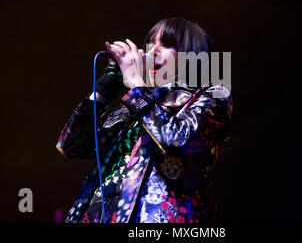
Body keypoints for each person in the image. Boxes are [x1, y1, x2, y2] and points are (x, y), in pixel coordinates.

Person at [56, 18, 232, 223]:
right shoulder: (130, 109)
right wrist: (109, 81)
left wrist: (137, 88)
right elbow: (71, 144)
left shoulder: (213, 94)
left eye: (165, 44)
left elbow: (176, 139)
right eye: (150, 44)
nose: (152, 51)